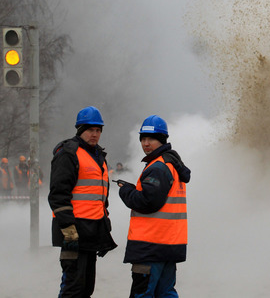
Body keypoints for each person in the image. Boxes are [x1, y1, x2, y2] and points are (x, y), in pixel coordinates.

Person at [116, 115, 191, 297]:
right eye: (143, 138)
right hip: (168, 245)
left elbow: (147, 202)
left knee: (143, 293)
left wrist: (126, 191)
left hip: (150, 246)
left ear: (162, 140)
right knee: (166, 293)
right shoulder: (171, 164)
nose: (146, 143)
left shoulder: (158, 167)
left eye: (151, 139)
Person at [48, 106, 117, 297]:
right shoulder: (69, 153)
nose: (94, 134)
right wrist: (67, 227)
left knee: (87, 288)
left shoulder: (98, 156)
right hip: (73, 231)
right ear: (80, 130)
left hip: (91, 231)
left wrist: (104, 223)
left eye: (98, 130)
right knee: (73, 288)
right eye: (90, 130)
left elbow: (99, 197)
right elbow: (58, 194)